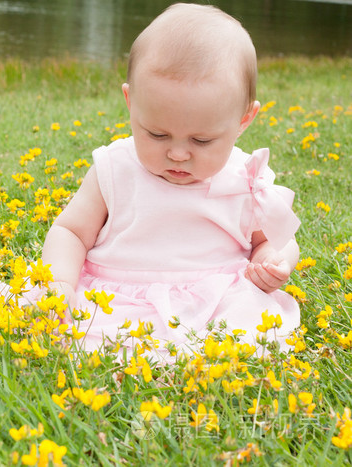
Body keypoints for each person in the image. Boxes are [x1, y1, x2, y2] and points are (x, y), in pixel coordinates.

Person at [39, 3, 301, 355]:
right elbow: (70, 231)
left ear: (243, 119)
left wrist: (273, 261)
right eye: (157, 135)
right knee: (90, 339)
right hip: (116, 297)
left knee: (238, 340)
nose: (178, 154)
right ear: (131, 103)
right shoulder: (116, 169)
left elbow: (273, 239)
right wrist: (60, 283)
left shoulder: (245, 178)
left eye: (202, 140)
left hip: (216, 302)